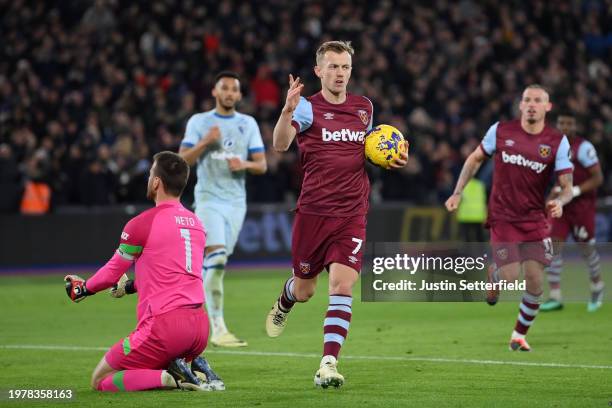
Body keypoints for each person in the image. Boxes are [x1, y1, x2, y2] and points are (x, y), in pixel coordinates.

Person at [265, 40, 407, 388]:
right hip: (313, 212)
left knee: (342, 285)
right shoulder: (307, 108)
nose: (339, 73)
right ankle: (285, 300)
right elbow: (280, 145)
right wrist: (286, 111)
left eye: (344, 67)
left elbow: (368, 150)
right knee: (305, 291)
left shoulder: (364, 108)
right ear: (319, 71)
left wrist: (389, 160)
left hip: (352, 213)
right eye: (332, 67)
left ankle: (328, 362)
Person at [64, 151, 224, 392]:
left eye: (151, 173)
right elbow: (172, 274)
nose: (149, 178)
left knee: (101, 380)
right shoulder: (196, 224)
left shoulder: (142, 223)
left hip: (165, 328)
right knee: (152, 362)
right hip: (199, 327)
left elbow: (111, 272)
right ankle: (191, 363)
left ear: (157, 181)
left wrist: (83, 288)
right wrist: (128, 287)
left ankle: (173, 379)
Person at [445, 85, 574, 352]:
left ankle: (518, 334)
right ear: (520, 104)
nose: (531, 104)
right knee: (512, 274)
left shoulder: (557, 141)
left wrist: (560, 201)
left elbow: (567, 185)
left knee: (536, 280)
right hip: (503, 216)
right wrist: (457, 192)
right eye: (527, 99)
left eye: (537, 100)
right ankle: (495, 274)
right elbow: (474, 159)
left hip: (535, 218)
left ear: (547, 107)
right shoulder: (500, 131)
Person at [179, 71, 267, 347]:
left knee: (216, 265)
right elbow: (181, 160)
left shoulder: (247, 123)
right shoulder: (199, 122)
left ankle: (186, 307)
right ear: (215, 92)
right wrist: (206, 141)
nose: (229, 93)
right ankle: (217, 328)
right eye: (224, 88)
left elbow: (262, 164)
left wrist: (245, 165)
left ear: (239, 96)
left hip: (235, 204)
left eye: (234, 89)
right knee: (216, 259)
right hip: (207, 199)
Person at [541, 112, 604, 312]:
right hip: (562, 206)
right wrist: (552, 195)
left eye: (569, 123)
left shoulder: (584, 148)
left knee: (587, 249)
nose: (565, 127)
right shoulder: (553, 147)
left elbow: (598, 178)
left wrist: (575, 190)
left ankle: (597, 287)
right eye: (562, 123)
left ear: (575, 125)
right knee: (553, 247)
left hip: (582, 206)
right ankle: (555, 296)